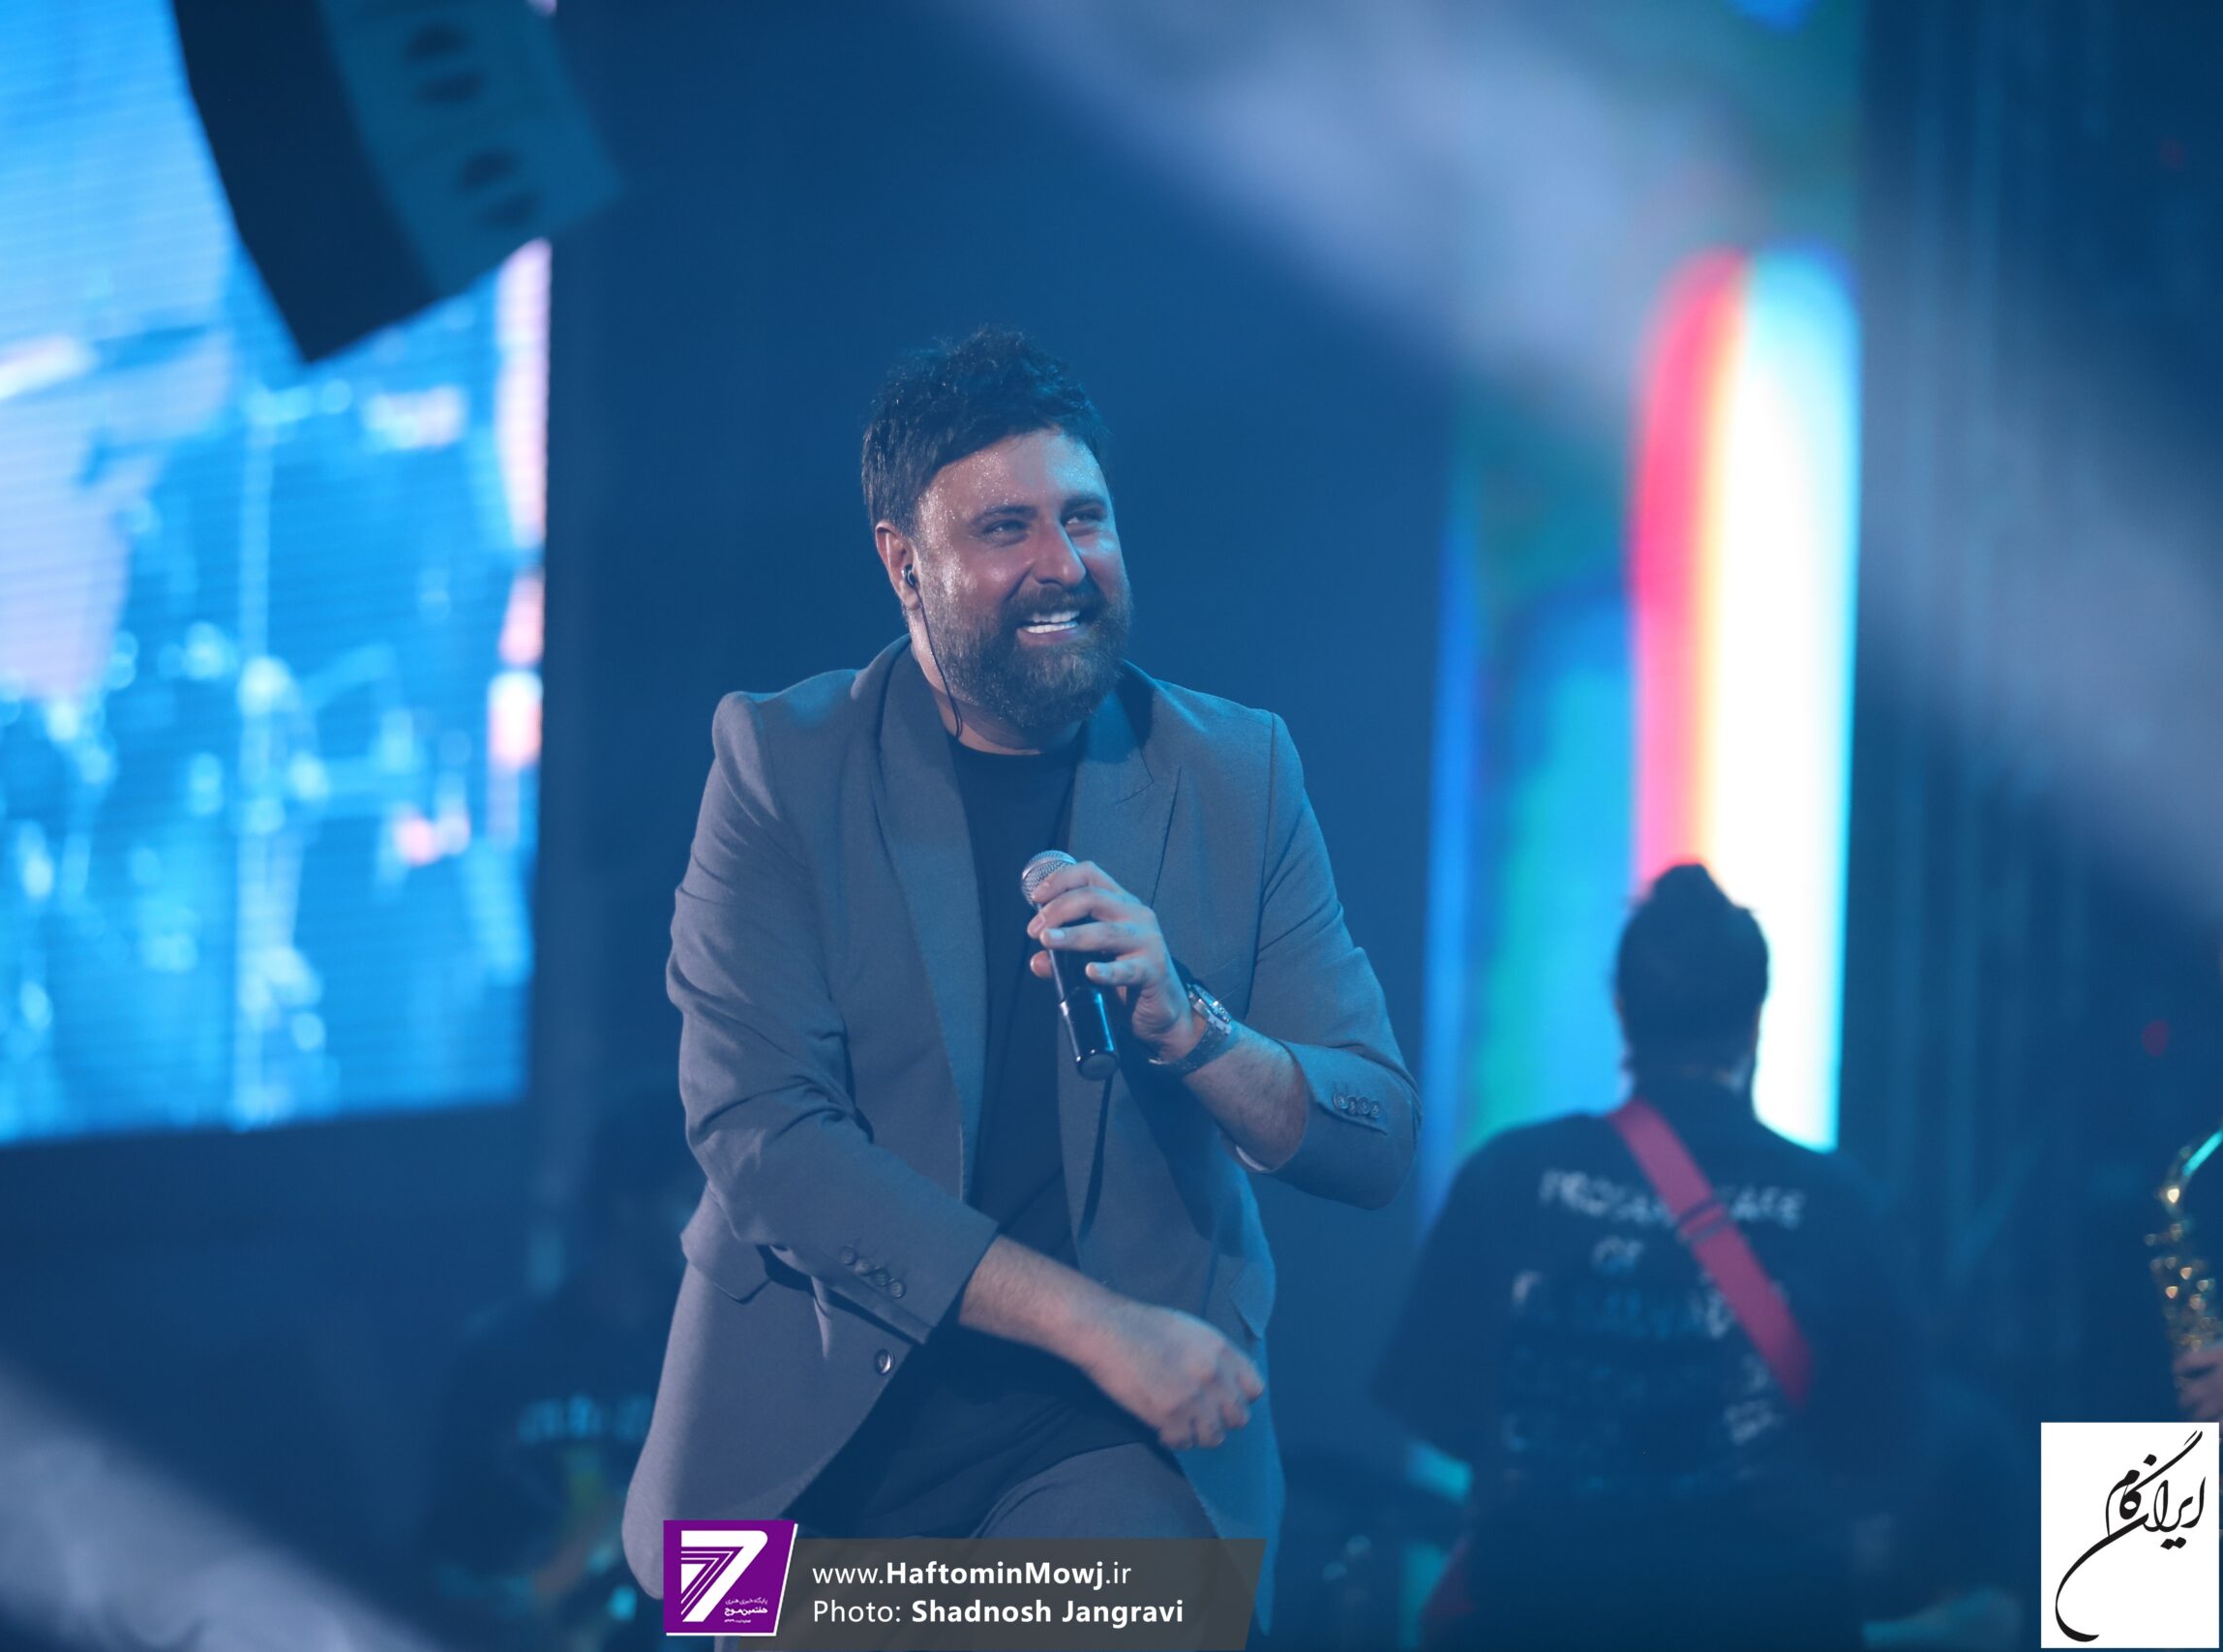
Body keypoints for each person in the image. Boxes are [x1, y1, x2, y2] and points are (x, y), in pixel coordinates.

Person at [621, 327, 1418, 1618]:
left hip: (1113, 1448)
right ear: (904, 563)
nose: (1063, 563)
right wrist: (1097, 1323)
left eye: (1084, 517)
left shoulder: (1237, 769)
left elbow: (1372, 1133)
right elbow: (765, 1142)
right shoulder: (779, 764)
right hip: (798, 1465)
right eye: (1006, 529)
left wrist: (1197, 1029)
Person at [1378, 863, 1923, 1651]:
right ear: (1754, 1019)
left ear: (1623, 1007)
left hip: (1542, 1615)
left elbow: (1436, 1402)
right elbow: (1879, 1445)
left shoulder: (1510, 1175)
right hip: (1763, 1618)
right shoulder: (1838, 1205)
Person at [423, 1100, 703, 1652]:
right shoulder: (499, 1355)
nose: (717, 1228)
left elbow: (781, 1590)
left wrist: (632, 1561)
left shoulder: (725, 1366)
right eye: (691, 1199)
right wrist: (515, 1602)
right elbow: (443, 1556)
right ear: (627, 1203)